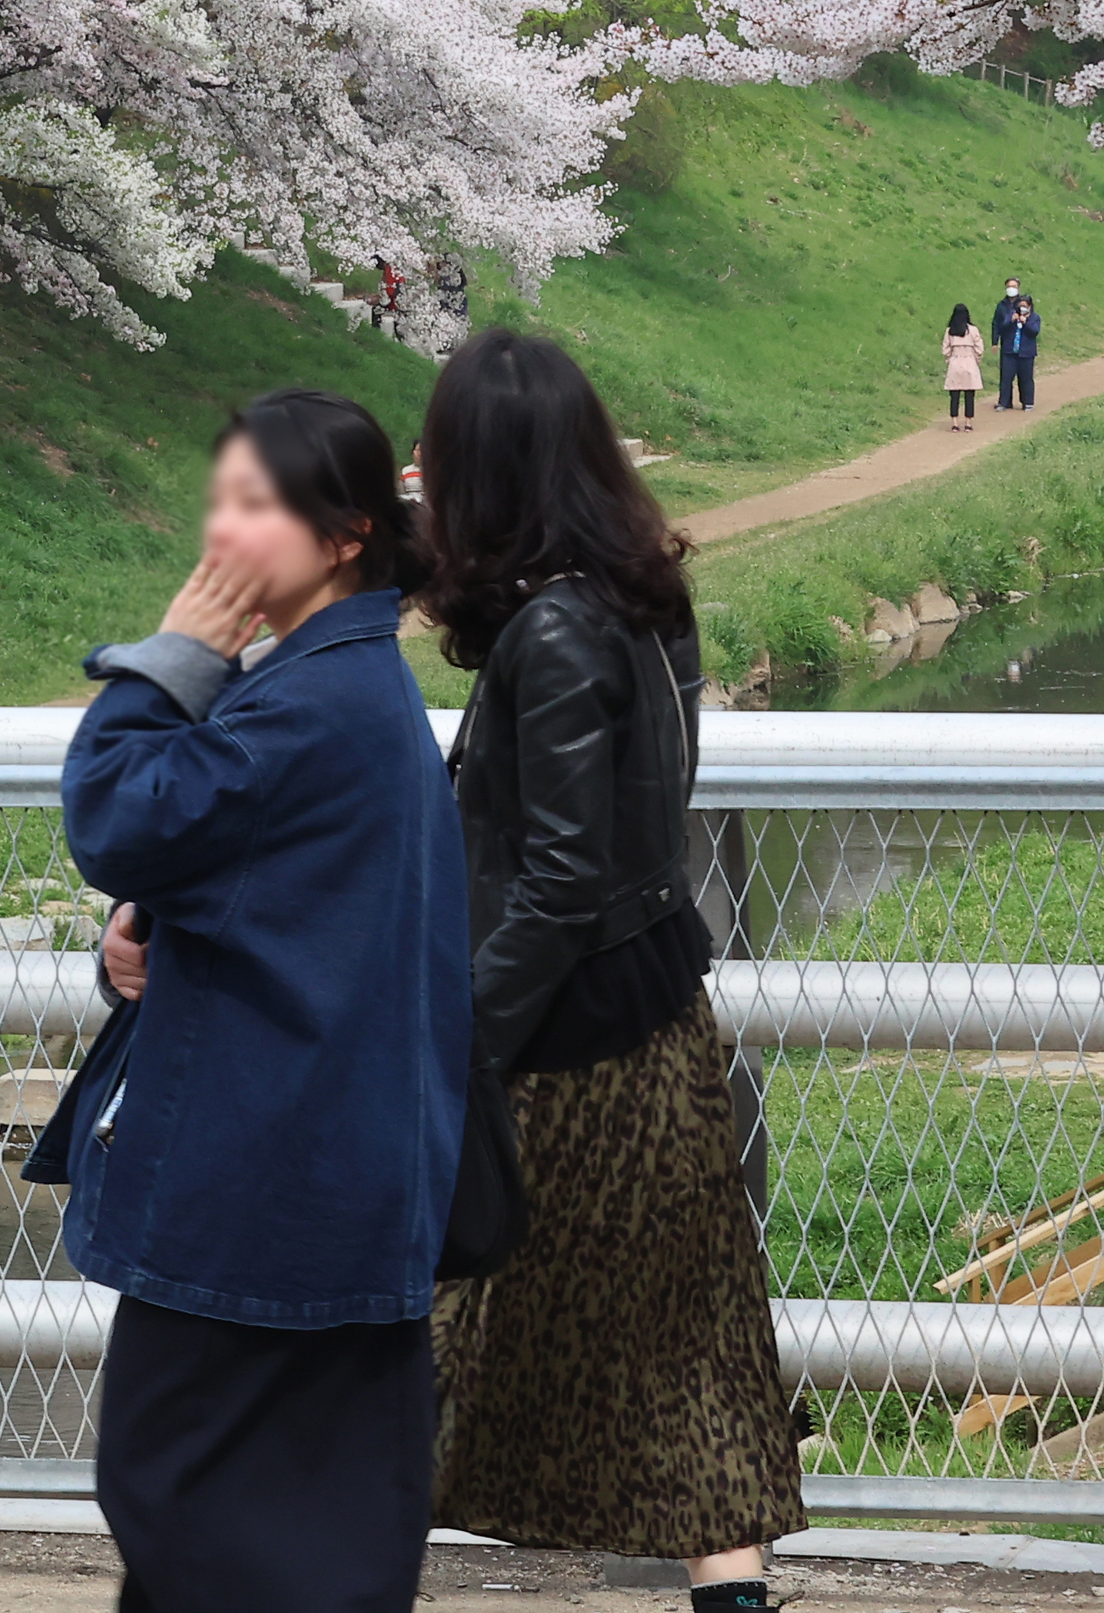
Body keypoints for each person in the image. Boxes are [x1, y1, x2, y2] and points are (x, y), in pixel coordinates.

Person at [27, 387, 464, 1613]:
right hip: (335, 1175)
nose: (221, 531)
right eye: (218, 498)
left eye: (256, 505)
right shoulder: (343, 684)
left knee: (171, 1483)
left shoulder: (302, 702)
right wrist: (156, 924)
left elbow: (113, 813)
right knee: (307, 1506)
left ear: (344, 536)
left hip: (265, 1182)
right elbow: (265, 880)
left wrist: (174, 653)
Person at [416, 330, 802, 1611]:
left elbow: (562, 876)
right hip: (661, 1022)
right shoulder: (639, 596)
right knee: (687, 1353)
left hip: (566, 1057)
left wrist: (465, 1032)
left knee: (424, 1329)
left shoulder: (557, 630)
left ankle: (314, 1564)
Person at [942, 304, 983, 430]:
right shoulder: (973, 330)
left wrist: (950, 359)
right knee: (969, 394)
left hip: (955, 362)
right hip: (969, 362)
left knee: (954, 394)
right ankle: (968, 423)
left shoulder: (950, 331)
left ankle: (955, 423)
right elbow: (979, 349)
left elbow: (945, 349)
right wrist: (976, 360)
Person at [989, 280, 1025, 408]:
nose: (1011, 289)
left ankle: (1025, 402)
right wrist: (995, 341)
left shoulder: (1023, 303)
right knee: (1006, 375)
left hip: (1022, 344)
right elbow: (996, 324)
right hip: (1007, 343)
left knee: (1023, 376)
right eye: (1009, 286)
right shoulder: (1001, 305)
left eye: (1014, 286)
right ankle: (1004, 401)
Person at [1004, 287, 1042, 409]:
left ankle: (1028, 402)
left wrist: (1026, 322)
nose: (1022, 308)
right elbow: (1003, 327)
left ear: (1030, 306)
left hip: (1026, 353)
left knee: (1026, 379)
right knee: (1006, 378)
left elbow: (1034, 331)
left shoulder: (1035, 318)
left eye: (1025, 305)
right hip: (1010, 352)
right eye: (1020, 305)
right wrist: (1011, 320)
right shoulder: (1011, 314)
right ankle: (1004, 402)